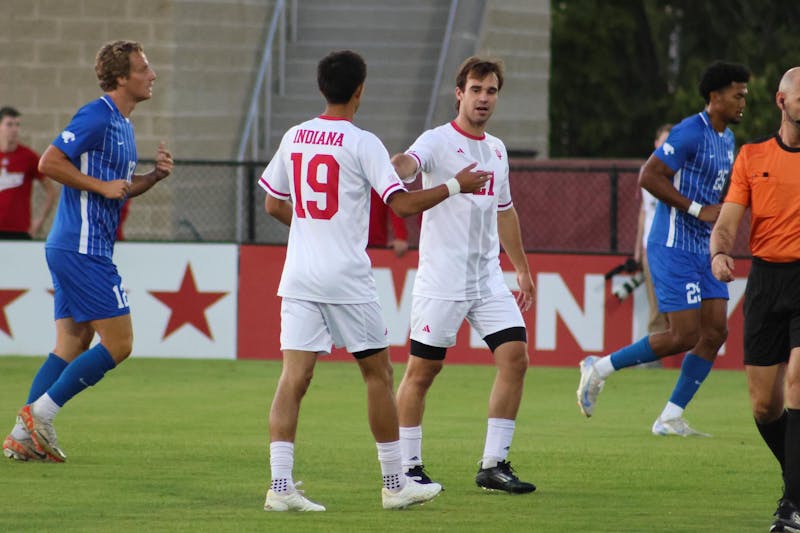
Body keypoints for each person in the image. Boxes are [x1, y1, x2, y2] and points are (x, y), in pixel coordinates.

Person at [259, 49, 490, 512]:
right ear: (360, 90)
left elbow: (272, 203)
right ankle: (394, 483)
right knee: (378, 375)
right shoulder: (361, 142)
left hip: (300, 275)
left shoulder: (295, 136)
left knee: (294, 378)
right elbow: (401, 205)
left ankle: (280, 489)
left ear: (322, 88)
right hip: (346, 279)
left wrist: (311, 230)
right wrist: (456, 186)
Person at [2, 40, 173, 462]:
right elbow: (49, 162)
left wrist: (153, 177)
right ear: (121, 77)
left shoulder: (124, 126)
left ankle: (22, 438)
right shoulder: (96, 115)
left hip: (76, 246)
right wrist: (98, 186)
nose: (152, 75)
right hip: (81, 247)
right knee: (120, 342)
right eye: (144, 68)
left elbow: (120, 189)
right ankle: (39, 415)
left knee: (72, 344)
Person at [576, 60, 750, 436]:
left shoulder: (727, 138)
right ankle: (599, 367)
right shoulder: (689, 132)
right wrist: (696, 208)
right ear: (714, 97)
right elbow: (648, 176)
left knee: (716, 331)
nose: (743, 102)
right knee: (683, 335)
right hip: (672, 245)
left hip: (704, 248)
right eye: (737, 95)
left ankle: (670, 416)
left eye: (745, 95)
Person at [392, 56, 536, 494]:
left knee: (515, 357)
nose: (483, 99)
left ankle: (494, 464)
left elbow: (505, 210)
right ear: (460, 93)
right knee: (423, 370)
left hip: (487, 278)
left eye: (491, 91)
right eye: (476, 90)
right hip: (442, 280)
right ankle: (408, 466)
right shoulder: (437, 141)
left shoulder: (496, 149)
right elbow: (410, 164)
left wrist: (523, 270)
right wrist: (399, 166)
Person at [710, 67, 800, 533]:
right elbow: (727, 220)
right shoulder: (752, 156)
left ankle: (792, 505)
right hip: (765, 281)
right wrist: (721, 250)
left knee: (797, 382)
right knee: (765, 406)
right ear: (782, 102)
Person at [633, 124, 672, 338]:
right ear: (656, 144)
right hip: (651, 244)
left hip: (673, 244)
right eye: (662, 141)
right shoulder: (646, 170)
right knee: (654, 299)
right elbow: (644, 210)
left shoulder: (678, 170)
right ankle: (655, 348)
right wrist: (638, 249)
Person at [0, 106, 58, 239]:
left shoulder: (28, 156)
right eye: (9, 124)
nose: (14, 129)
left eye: (17, 125)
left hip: (19, 230)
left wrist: (39, 221)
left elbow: (51, 191)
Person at [368, 189, 409, 257]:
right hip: (348, 244)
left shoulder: (378, 181)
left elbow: (394, 201)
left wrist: (400, 236)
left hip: (376, 246)